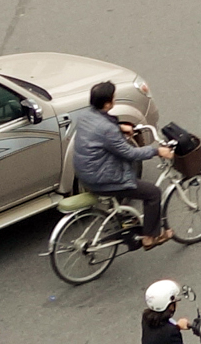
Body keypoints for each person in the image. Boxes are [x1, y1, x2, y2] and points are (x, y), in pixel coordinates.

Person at [72, 81, 173, 248]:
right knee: (153, 193)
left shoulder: (85, 116)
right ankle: (149, 237)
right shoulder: (107, 129)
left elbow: (99, 132)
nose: (115, 100)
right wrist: (156, 151)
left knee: (128, 184)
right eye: (113, 98)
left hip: (85, 174)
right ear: (107, 103)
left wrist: (119, 127)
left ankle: (123, 219)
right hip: (102, 179)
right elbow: (130, 153)